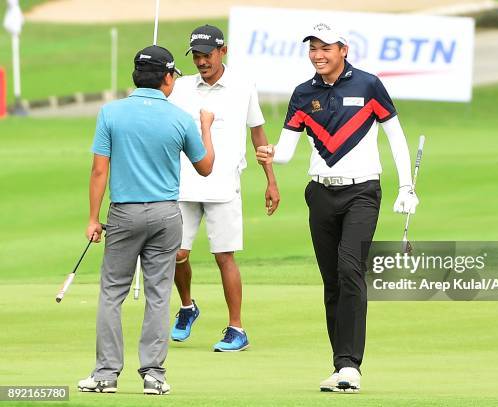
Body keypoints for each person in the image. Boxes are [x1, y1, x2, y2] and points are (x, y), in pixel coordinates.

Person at [256, 23, 419, 392]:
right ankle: (340, 365)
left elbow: (396, 137)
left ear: (343, 49)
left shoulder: (368, 85)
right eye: (312, 48)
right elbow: (286, 151)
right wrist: (271, 155)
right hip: (320, 194)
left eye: (325, 47)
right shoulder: (303, 94)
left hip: (362, 192)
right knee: (332, 281)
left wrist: (406, 186)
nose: (318, 54)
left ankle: (351, 366)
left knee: (350, 270)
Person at [78, 45, 215, 395]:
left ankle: (106, 374)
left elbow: (99, 170)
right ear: (167, 78)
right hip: (166, 214)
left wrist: (93, 218)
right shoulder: (180, 118)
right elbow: (206, 167)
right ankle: (154, 374)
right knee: (158, 294)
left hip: (123, 213)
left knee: (112, 293)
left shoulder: (111, 113)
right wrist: (206, 127)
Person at [167, 24, 280, 351]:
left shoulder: (243, 86)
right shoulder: (182, 87)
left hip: (224, 185)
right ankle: (187, 307)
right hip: (184, 183)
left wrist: (270, 180)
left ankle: (236, 329)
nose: (201, 62)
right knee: (177, 253)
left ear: (223, 51)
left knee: (224, 256)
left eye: (207, 55)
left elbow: (258, 133)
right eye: (197, 56)